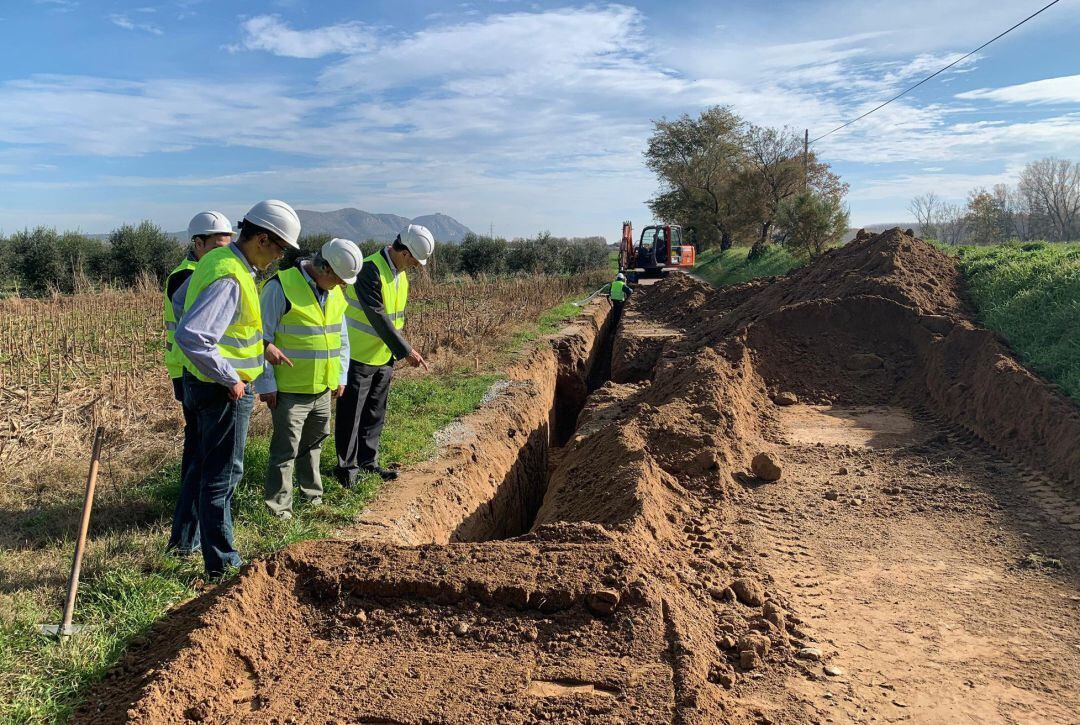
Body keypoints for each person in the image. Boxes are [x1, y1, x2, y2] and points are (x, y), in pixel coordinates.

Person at [173, 199, 301, 577]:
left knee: (202, 468)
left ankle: (185, 544)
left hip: (201, 383)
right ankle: (223, 565)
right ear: (262, 239)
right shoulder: (231, 274)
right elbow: (193, 336)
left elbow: (193, 309)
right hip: (223, 391)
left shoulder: (218, 259)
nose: (279, 257)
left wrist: (262, 347)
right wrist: (231, 378)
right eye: (280, 248)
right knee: (223, 476)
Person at [255, 238, 363, 520]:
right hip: (289, 389)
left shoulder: (335, 293)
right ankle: (279, 509)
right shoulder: (280, 287)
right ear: (324, 267)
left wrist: (340, 375)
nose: (341, 286)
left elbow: (341, 339)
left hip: (323, 387)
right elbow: (260, 339)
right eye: (339, 279)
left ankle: (312, 496)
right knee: (285, 450)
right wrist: (266, 383)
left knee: (314, 445)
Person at [335, 224, 433, 487]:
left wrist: (396, 350)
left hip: (383, 356)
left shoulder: (400, 275)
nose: (415, 266)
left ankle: (369, 462)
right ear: (404, 252)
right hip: (358, 355)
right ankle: (347, 471)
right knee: (351, 415)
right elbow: (377, 316)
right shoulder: (369, 269)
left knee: (375, 413)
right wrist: (407, 351)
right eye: (414, 261)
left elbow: (394, 318)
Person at [164, 211, 234, 557]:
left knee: (200, 456)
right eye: (217, 246)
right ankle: (185, 540)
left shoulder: (208, 269)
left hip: (204, 372)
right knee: (202, 458)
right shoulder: (188, 276)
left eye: (228, 245)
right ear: (198, 243)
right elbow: (197, 332)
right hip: (194, 374)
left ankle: (186, 536)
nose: (224, 252)